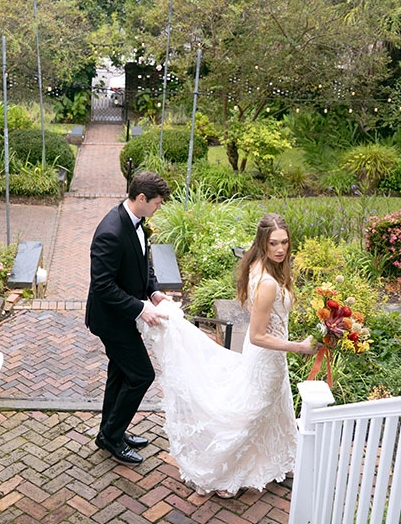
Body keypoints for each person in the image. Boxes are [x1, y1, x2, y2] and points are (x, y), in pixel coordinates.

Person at [140, 212, 315, 497]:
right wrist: (300, 346)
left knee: (274, 404)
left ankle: (281, 458)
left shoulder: (258, 265)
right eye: (273, 243)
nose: (280, 249)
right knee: (254, 410)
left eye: (284, 242)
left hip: (266, 354)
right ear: (263, 242)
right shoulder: (268, 282)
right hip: (265, 354)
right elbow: (257, 335)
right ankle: (225, 472)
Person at [85, 171, 172, 466]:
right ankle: (112, 437)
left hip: (124, 317)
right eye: (157, 203)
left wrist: (154, 292)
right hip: (111, 320)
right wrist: (140, 308)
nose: (159, 207)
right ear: (142, 198)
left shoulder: (137, 222)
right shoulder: (110, 231)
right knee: (141, 375)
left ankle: (109, 431)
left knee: (121, 373)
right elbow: (102, 285)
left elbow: (143, 263)